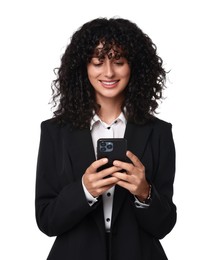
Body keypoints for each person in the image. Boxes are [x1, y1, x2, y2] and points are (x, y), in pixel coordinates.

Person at [35, 17, 177, 260]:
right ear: (84, 67)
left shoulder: (159, 132)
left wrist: (145, 193)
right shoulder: (55, 132)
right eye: (98, 62)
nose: (109, 72)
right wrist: (84, 191)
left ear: (134, 67)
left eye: (119, 62)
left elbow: (164, 226)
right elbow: (47, 220)